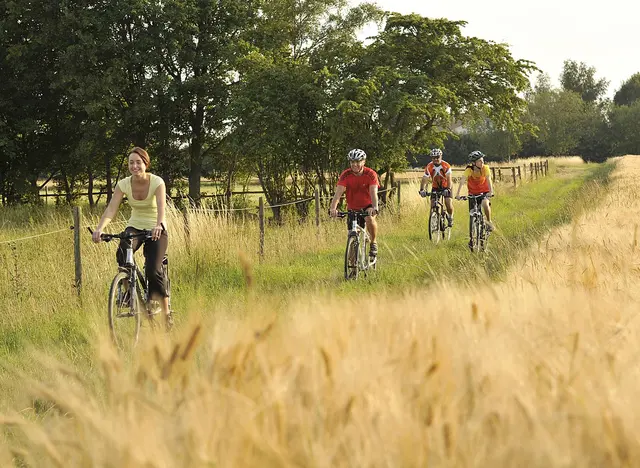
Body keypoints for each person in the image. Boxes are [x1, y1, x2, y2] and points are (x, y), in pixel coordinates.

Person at [92, 147, 173, 330]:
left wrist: (159, 225)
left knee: (153, 269)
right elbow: (111, 209)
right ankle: (128, 292)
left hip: (156, 228)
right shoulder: (123, 184)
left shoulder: (157, 182)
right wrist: (99, 229)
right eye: (131, 162)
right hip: (135, 226)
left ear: (146, 163)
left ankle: (166, 312)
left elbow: (162, 208)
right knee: (122, 252)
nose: (134, 166)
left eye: (138, 162)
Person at [329, 148, 380, 259]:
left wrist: (375, 207)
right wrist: (333, 208)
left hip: (368, 205)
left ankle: (373, 242)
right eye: (352, 162)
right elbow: (338, 194)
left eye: (357, 161)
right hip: (353, 207)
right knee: (352, 235)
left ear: (363, 162)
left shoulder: (371, 174)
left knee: (370, 218)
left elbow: (373, 192)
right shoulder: (345, 175)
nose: (354, 164)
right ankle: (352, 267)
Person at [455, 150, 494, 234]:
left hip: (484, 192)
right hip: (472, 193)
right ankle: (472, 237)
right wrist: (458, 194)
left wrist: (491, 191)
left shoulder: (485, 168)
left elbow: (488, 179)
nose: (482, 163)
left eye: (482, 160)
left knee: (485, 204)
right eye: (479, 161)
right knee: (472, 213)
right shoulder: (469, 170)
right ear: (473, 163)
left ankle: (489, 222)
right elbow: (462, 180)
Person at [419, 148, 454, 227]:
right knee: (432, 204)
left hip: (447, 186)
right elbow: (425, 178)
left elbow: (449, 178)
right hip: (436, 187)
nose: (435, 159)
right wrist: (422, 189)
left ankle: (450, 217)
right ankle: (435, 219)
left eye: (437, 157)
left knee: (448, 202)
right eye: (433, 158)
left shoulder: (446, 165)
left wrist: (448, 189)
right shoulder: (429, 166)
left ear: (441, 156)